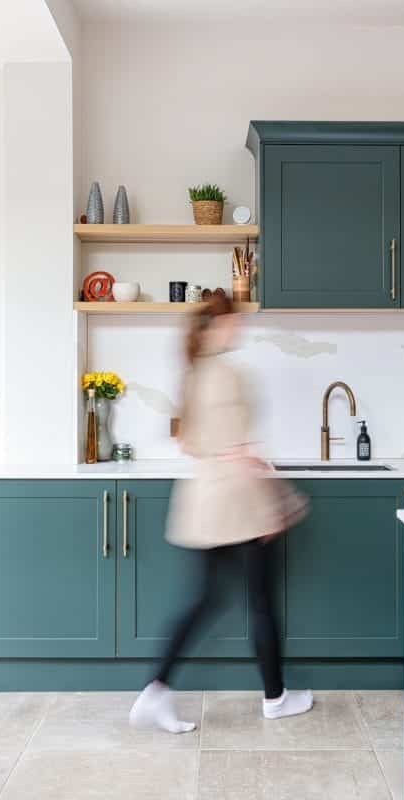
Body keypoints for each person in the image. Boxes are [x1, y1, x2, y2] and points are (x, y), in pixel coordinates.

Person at [129, 294, 312, 734]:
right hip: (237, 504)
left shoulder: (195, 374)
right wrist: (273, 503)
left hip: (205, 500)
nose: (240, 327)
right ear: (221, 323)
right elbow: (239, 450)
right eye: (235, 320)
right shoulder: (227, 374)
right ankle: (275, 698)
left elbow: (190, 442)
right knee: (262, 601)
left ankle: (156, 692)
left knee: (205, 599)